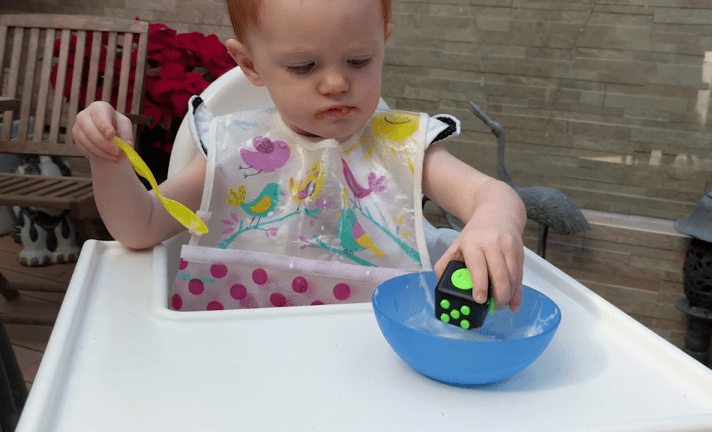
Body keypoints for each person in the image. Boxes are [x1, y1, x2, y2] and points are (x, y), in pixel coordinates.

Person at [72, 0, 527, 312]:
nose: (335, 84)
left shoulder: (403, 147)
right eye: (304, 67)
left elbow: (491, 194)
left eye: (359, 61)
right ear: (249, 64)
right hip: (239, 364)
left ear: (382, 44)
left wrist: (494, 221)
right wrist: (109, 160)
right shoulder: (237, 151)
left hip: (375, 368)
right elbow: (140, 227)